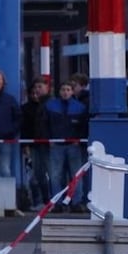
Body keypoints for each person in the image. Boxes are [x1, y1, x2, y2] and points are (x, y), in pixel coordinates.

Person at [44, 81, 87, 212]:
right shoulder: (50, 106)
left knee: (75, 176)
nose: (65, 92)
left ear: (72, 92)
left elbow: (83, 126)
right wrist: (49, 139)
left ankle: (76, 202)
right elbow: (45, 124)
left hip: (73, 144)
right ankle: (57, 202)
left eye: (68, 89)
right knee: (56, 175)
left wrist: (78, 140)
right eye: (63, 89)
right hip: (56, 144)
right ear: (59, 91)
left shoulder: (79, 107)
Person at [20, 77, 51, 210]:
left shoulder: (51, 105)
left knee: (50, 174)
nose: (37, 91)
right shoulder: (26, 108)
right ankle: (40, 201)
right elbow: (25, 127)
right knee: (36, 175)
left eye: (40, 87)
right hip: (34, 144)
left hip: (49, 143)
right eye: (35, 88)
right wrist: (25, 144)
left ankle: (49, 200)